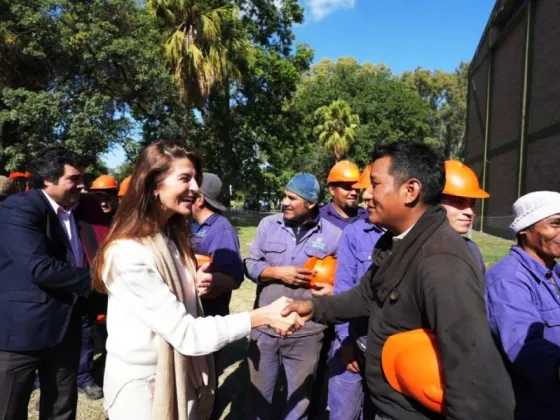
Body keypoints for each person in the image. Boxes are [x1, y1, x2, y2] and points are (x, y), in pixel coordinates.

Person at [282, 140, 515, 420]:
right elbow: (366, 295)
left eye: (376, 184)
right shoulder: (397, 242)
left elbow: (472, 372)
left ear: (410, 190)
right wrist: (314, 308)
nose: (366, 194)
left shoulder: (442, 261)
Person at [91, 141, 302, 420]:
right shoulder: (128, 253)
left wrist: (192, 280)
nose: (194, 188)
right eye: (184, 179)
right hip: (144, 390)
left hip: (176, 376)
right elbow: (187, 334)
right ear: (154, 185)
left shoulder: (169, 240)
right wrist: (261, 317)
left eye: (195, 180)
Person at [0, 147, 109, 420]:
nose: (82, 185)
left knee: (61, 408)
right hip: (23, 331)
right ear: (48, 179)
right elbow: (40, 268)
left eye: (82, 177)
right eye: (74, 178)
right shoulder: (20, 207)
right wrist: (103, 281)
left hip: (68, 328)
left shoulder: (82, 211)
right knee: (9, 408)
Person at [244, 173, 341, 420]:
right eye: (284, 196)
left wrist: (332, 290)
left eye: (291, 198)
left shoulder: (333, 235)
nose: (284, 202)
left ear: (311, 204)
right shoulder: (269, 225)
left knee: (299, 402)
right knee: (259, 397)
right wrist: (277, 272)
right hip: (265, 328)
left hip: (306, 334)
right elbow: (251, 263)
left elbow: (342, 280)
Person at [485, 191, 560, 420]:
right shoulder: (508, 280)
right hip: (537, 408)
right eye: (555, 224)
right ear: (525, 231)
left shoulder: (554, 272)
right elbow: (525, 349)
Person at [328, 166, 384, 420]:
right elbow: (343, 289)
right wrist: (345, 340)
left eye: (373, 189)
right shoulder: (355, 233)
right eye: (365, 191)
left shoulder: (412, 238)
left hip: (388, 350)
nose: (366, 197)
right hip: (352, 343)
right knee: (345, 412)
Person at [191, 173, 244, 317]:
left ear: (200, 199)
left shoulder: (221, 230)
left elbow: (234, 278)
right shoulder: (194, 224)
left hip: (210, 316)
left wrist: (206, 281)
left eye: (191, 194)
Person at [440, 160, 488, 273]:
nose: (470, 212)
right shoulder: (416, 249)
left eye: (472, 203)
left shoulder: (471, 249)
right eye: (458, 202)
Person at [319, 160, 368, 231]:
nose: (354, 192)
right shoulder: (319, 218)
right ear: (332, 190)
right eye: (347, 188)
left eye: (356, 188)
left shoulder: (367, 217)